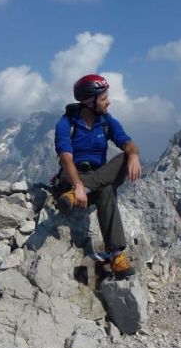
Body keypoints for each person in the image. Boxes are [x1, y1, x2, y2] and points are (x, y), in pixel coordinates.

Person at [53, 74, 141, 277]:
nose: (108, 101)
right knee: (107, 189)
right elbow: (65, 158)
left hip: (86, 186)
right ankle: (116, 256)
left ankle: (115, 256)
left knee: (124, 158)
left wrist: (133, 154)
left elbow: (127, 142)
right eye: (103, 98)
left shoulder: (106, 121)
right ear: (89, 102)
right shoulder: (66, 123)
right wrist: (78, 185)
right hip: (71, 179)